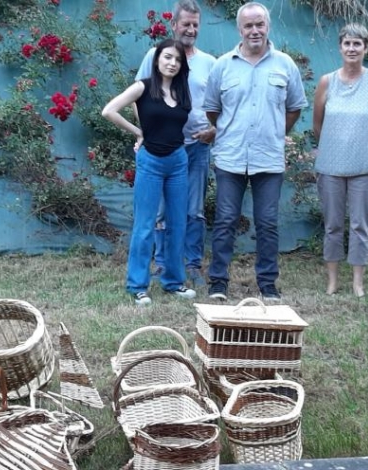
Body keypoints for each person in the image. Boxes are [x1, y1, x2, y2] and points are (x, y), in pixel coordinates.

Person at [203, 2, 307, 302]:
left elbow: (294, 108)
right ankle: (219, 283)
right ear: (239, 29)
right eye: (248, 25)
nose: (254, 30)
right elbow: (213, 110)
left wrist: (273, 132)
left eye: (259, 24)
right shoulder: (223, 65)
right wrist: (233, 128)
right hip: (230, 157)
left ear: (268, 26)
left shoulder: (285, 64)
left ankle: (268, 283)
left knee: (267, 223)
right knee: (224, 221)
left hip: (268, 159)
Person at [102, 39, 198, 305]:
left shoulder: (182, 91)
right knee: (145, 225)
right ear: (157, 59)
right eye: (167, 57)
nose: (172, 63)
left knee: (178, 224)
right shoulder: (142, 86)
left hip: (178, 162)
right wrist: (138, 132)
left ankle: (174, 282)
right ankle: (137, 286)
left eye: (177, 60)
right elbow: (109, 110)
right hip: (151, 162)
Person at [136, 0, 217, 289]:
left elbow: (221, 103)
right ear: (174, 25)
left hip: (196, 147)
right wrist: (143, 133)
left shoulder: (209, 63)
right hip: (161, 149)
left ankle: (192, 264)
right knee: (159, 212)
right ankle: (162, 264)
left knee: (193, 209)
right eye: (186, 24)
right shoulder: (155, 55)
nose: (191, 29)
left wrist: (213, 130)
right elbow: (139, 95)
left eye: (195, 24)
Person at [312, 23, 368, 297]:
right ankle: (332, 281)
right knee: (333, 225)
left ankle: (358, 283)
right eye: (347, 43)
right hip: (331, 166)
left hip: (364, 167)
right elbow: (318, 125)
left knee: (360, 225)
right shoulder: (326, 82)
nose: (352, 48)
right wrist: (335, 145)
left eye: (358, 44)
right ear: (340, 47)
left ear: (365, 48)